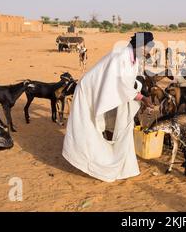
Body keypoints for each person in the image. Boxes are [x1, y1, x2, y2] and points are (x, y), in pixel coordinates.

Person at [62, 32, 154, 182]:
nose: (148, 52)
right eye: (146, 47)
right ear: (139, 45)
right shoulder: (121, 56)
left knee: (118, 121)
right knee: (88, 129)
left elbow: (128, 82)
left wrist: (139, 94)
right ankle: (87, 161)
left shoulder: (134, 59)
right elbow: (121, 83)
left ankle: (111, 159)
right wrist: (142, 97)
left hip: (103, 91)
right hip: (88, 91)